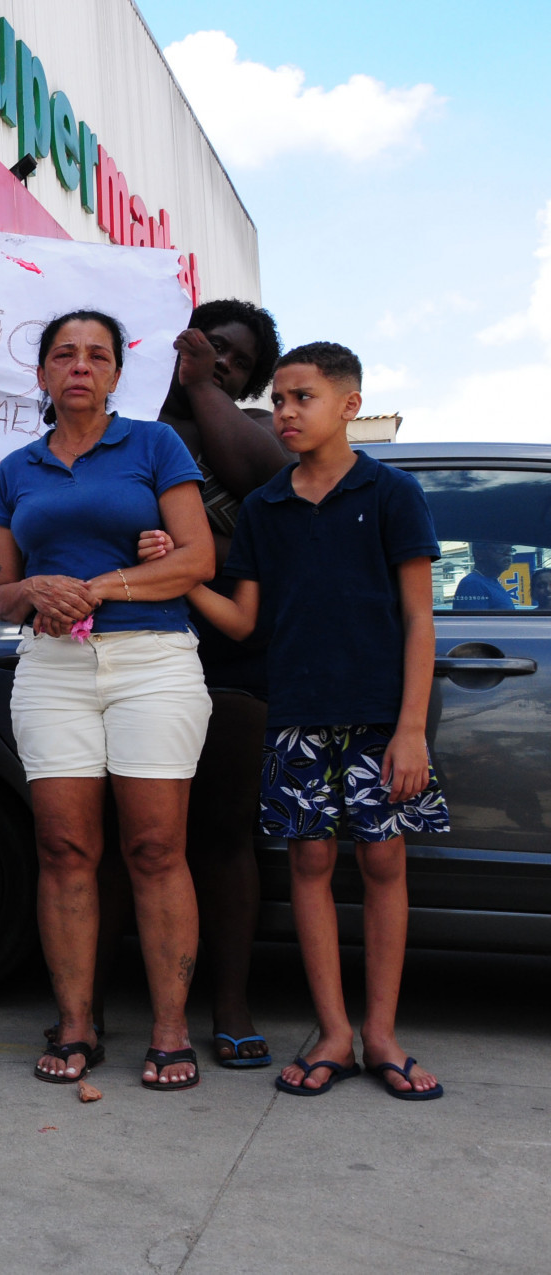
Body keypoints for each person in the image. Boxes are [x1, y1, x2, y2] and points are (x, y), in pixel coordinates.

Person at [182, 342, 447, 1100]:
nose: (286, 413)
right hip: (295, 715)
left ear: (348, 406)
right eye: (280, 401)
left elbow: (420, 622)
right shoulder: (266, 507)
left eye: (302, 398)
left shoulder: (391, 492)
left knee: (385, 864)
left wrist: (409, 729)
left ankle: (383, 1035)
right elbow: (242, 621)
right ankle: (333, 1031)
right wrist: (186, 572)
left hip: (377, 718)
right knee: (308, 864)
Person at [0, 310, 215, 1091]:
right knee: (64, 849)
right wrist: (34, 591)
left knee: (154, 847)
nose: (80, 366)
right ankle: (76, 1021)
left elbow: (196, 559)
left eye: (96, 355)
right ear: (43, 374)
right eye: (63, 355)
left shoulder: (156, 446)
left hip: (153, 659)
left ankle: (171, 1028)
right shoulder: (17, 469)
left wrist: (102, 586)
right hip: (53, 666)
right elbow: (1, 590)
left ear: (117, 373)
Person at [67, 303, 286, 1065]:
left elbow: (258, 474)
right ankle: (85, 1004)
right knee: (116, 840)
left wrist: (203, 387)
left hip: (228, 659)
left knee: (222, 836)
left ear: (251, 374)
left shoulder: (253, 424)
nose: (218, 360)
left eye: (234, 357)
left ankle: (227, 1002)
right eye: (206, 346)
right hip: (123, 649)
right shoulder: (124, 426)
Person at [452, 542, 519, 610]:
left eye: (510, 550)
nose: (508, 554)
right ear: (479, 554)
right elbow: (474, 620)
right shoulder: (473, 584)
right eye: (501, 549)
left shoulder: (491, 581)